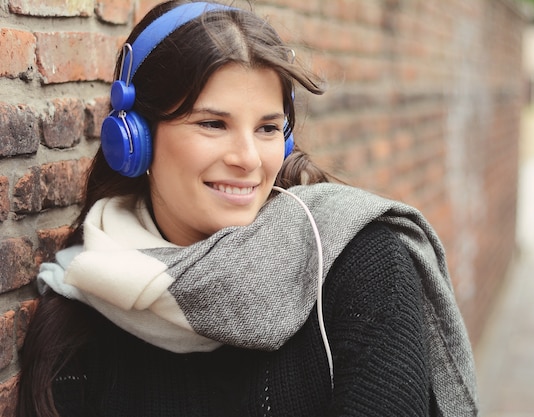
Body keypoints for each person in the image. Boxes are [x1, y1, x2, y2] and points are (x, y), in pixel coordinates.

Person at [17, 1, 479, 416]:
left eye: (267, 128)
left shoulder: (359, 265)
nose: (249, 159)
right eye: (213, 123)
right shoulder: (80, 313)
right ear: (134, 140)